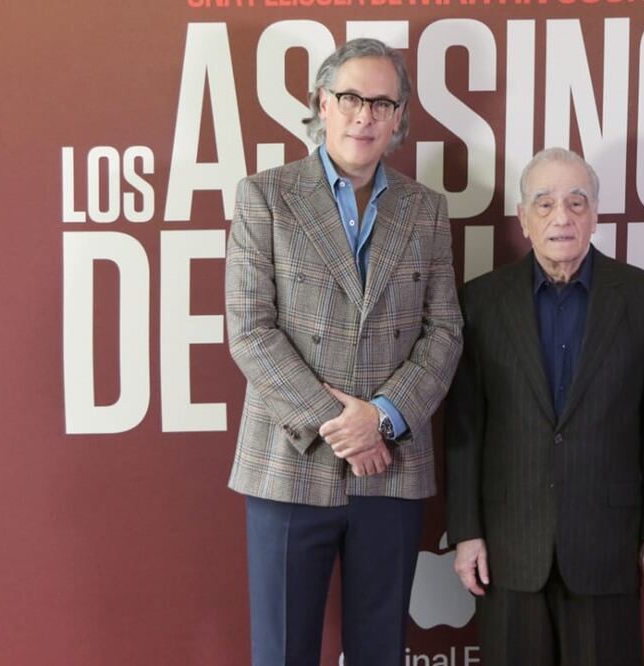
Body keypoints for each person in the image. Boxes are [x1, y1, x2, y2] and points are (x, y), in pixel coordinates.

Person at [225, 38, 462, 666]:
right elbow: (251, 330)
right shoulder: (265, 197)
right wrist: (344, 429)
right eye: (351, 97)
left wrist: (380, 417)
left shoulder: (426, 211)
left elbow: (445, 334)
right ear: (322, 104)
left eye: (382, 103)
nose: (365, 115)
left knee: (381, 651)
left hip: (391, 468)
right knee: (282, 653)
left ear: (398, 119)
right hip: (287, 464)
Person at [445, 147, 644, 665]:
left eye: (577, 203)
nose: (563, 217)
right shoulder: (480, 302)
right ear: (523, 219)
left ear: (595, 216)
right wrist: (466, 533)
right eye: (546, 203)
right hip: (510, 547)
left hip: (609, 544)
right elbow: (466, 428)